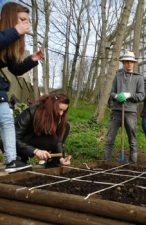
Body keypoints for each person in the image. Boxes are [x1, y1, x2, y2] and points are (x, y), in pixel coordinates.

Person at [0, 2, 44, 173]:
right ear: (10, 18)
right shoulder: (6, 35)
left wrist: (32, 59)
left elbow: (15, 69)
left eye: (27, 21)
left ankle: (11, 161)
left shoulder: (10, 42)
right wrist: (16, 31)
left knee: (6, 120)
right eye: (22, 20)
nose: (26, 24)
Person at [104, 51, 144, 163]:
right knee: (110, 138)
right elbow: (111, 93)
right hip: (116, 111)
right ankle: (105, 162)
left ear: (134, 63)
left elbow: (141, 96)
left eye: (131, 62)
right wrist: (116, 96)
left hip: (130, 112)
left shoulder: (139, 78)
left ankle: (133, 163)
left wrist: (129, 95)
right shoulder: (117, 76)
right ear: (123, 63)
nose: (129, 64)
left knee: (132, 138)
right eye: (126, 62)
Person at [15, 92, 72, 167]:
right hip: (22, 144)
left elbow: (58, 141)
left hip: (37, 143)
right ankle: (16, 159)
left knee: (66, 126)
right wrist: (35, 151)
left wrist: (61, 158)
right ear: (51, 106)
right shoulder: (32, 112)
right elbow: (13, 138)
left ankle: (53, 160)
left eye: (64, 111)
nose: (61, 113)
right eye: (59, 109)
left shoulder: (60, 120)